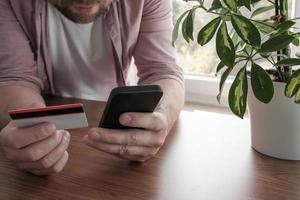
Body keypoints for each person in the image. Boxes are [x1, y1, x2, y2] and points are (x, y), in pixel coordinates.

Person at [0, 0, 185, 176]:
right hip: (53, 128)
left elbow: (163, 71)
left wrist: (163, 116)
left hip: (115, 136)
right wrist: (31, 125)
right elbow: (14, 77)